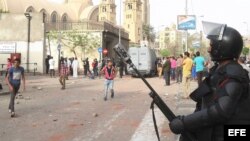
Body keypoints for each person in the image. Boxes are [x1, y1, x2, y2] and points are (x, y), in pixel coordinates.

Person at [169, 22, 250, 141]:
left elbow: (221, 111)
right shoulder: (219, 70)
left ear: (222, 47)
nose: (209, 48)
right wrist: (190, 122)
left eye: (212, 45)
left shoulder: (234, 74)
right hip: (214, 129)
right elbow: (203, 101)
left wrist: (184, 122)